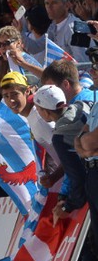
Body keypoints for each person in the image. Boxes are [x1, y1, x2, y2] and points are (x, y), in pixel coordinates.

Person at [33, 84, 89, 222]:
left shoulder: (60, 137)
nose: (37, 112)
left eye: (38, 109)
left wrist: (68, 206)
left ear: (46, 112)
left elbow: (77, 176)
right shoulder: (84, 104)